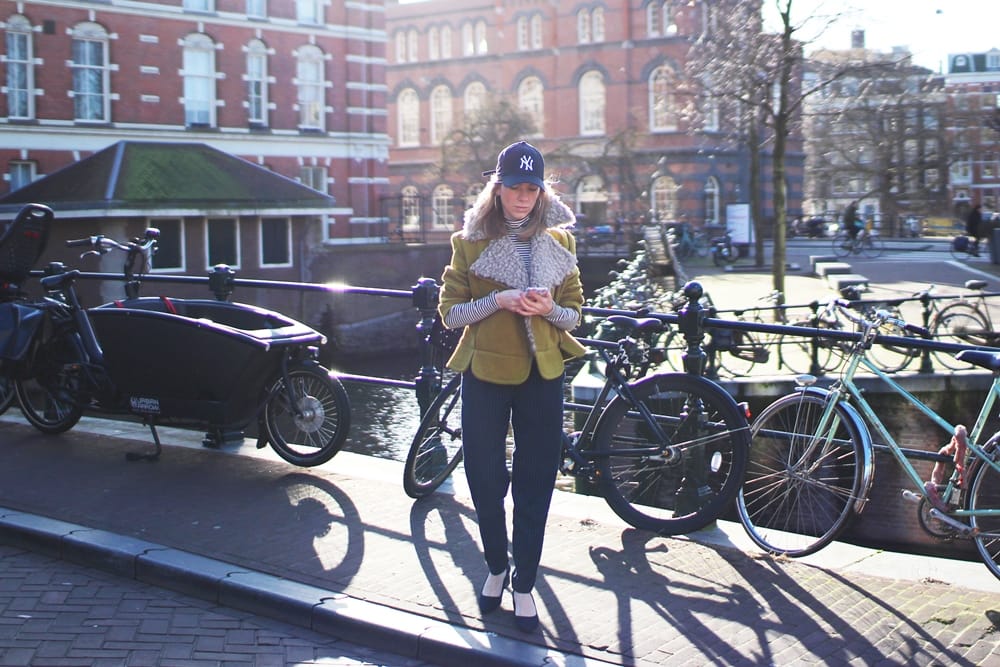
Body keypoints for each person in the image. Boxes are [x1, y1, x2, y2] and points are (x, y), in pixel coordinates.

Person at [438, 140, 586, 633]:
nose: (522, 197)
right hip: (485, 373)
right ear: (496, 188)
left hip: (543, 375)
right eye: (513, 188)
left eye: (531, 189)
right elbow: (450, 314)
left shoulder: (560, 245)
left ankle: (524, 582)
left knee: (536, 480)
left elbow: (575, 316)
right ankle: (496, 566)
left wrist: (549, 311)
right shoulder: (469, 241)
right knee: (483, 476)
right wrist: (499, 299)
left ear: (541, 192)